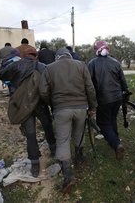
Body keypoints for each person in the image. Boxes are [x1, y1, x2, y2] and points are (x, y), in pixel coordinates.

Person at [39, 48, 97, 193]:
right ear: (69, 56)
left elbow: (43, 91)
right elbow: (90, 87)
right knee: (79, 134)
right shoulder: (81, 65)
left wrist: (53, 104)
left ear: (57, 57)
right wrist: (92, 106)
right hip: (81, 107)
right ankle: (80, 157)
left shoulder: (49, 68)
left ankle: (68, 176)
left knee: (63, 140)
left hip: (61, 109)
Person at [0, 47, 56, 177]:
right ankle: (53, 149)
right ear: (36, 56)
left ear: (23, 55)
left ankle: (35, 164)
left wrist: (13, 81)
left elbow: (0, 74)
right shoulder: (42, 67)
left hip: (24, 105)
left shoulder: (16, 65)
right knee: (47, 126)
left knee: (30, 133)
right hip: (40, 104)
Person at [87, 40, 130, 161]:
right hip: (117, 98)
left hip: (103, 99)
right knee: (112, 119)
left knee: (103, 123)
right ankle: (115, 140)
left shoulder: (92, 63)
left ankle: (116, 144)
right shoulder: (115, 62)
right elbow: (122, 80)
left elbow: (88, 83)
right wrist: (126, 92)